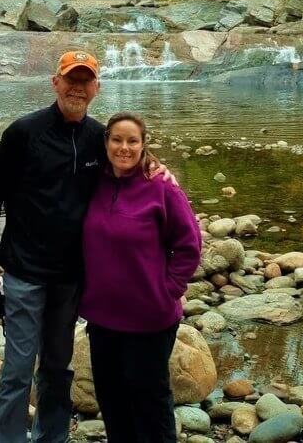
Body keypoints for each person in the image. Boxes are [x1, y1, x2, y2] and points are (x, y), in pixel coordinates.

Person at [0, 51, 172, 443]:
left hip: (70, 279)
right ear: (55, 83)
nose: (77, 88)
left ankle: (53, 437)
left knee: (57, 367)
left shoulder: (100, 138)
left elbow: (130, 163)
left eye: (85, 81)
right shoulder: (22, 132)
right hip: (24, 272)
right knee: (16, 368)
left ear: (96, 88)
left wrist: (160, 170)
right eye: (70, 79)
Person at [78, 112, 201, 443]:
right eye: (117, 139)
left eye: (132, 141)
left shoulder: (161, 187)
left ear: (144, 144)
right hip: (103, 319)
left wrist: (168, 290)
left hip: (150, 319)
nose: (124, 147)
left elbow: (189, 246)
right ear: (105, 143)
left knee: (150, 402)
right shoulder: (95, 182)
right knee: (112, 400)